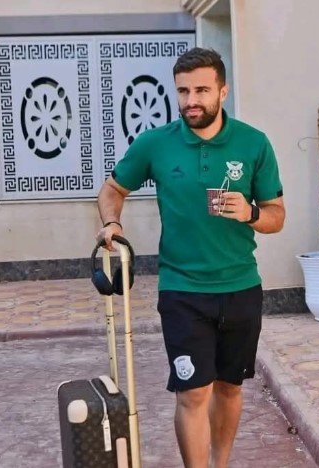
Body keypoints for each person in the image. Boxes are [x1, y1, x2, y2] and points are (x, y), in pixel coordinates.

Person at [96, 47, 285, 467]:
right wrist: (112, 223)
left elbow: (277, 216)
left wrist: (251, 213)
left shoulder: (254, 143)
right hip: (182, 290)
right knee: (192, 391)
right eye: (183, 91)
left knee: (229, 387)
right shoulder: (155, 144)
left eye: (201, 90)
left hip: (240, 287)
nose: (191, 100)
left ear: (223, 91)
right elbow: (112, 189)